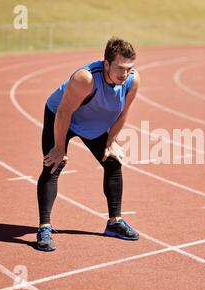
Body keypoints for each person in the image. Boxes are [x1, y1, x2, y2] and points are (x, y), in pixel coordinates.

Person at [36, 37, 140, 252]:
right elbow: (64, 112)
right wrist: (59, 148)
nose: (124, 73)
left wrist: (111, 143)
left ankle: (115, 223)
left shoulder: (132, 80)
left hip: (93, 121)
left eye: (129, 68)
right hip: (63, 117)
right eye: (119, 67)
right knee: (53, 165)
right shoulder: (85, 79)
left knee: (112, 163)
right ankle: (44, 228)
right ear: (106, 64)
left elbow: (123, 113)